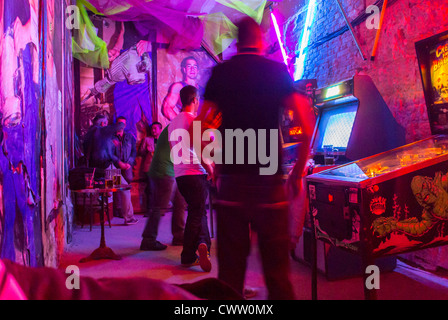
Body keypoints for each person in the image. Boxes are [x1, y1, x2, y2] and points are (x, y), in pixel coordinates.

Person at [196, 17, 315, 299]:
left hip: (233, 183)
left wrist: (210, 164)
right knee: (277, 270)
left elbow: (199, 125)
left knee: (230, 271)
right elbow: (306, 124)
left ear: (237, 43)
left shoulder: (221, 73)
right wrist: (298, 172)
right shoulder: (276, 72)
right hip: (269, 183)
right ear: (261, 41)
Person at [168, 85, 212, 272]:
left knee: (198, 211)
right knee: (197, 213)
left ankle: (203, 245)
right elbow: (201, 148)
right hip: (196, 172)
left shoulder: (172, 123)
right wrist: (210, 168)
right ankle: (187, 255)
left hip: (180, 174)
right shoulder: (194, 120)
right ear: (195, 100)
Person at [140, 124, 186, 251]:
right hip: (164, 170)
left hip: (171, 169)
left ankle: (179, 236)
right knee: (160, 207)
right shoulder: (184, 125)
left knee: (180, 201)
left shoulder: (177, 125)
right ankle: (148, 239)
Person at [112, 116, 138, 225]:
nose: (121, 125)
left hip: (127, 165)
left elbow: (133, 151)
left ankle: (125, 211)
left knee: (126, 185)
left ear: (125, 125)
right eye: (119, 123)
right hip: (115, 166)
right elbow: (110, 153)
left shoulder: (129, 137)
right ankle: (118, 210)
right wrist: (118, 163)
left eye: (123, 123)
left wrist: (129, 163)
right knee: (117, 187)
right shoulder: (111, 137)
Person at [161, 56, 204, 121]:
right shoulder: (179, 87)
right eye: (189, 66)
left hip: (203, 126)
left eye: (195, 67)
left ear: (197, 70)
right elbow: (167, 108)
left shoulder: (202, 89)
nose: (192, 69)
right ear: (184, 69)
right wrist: (182, 123)